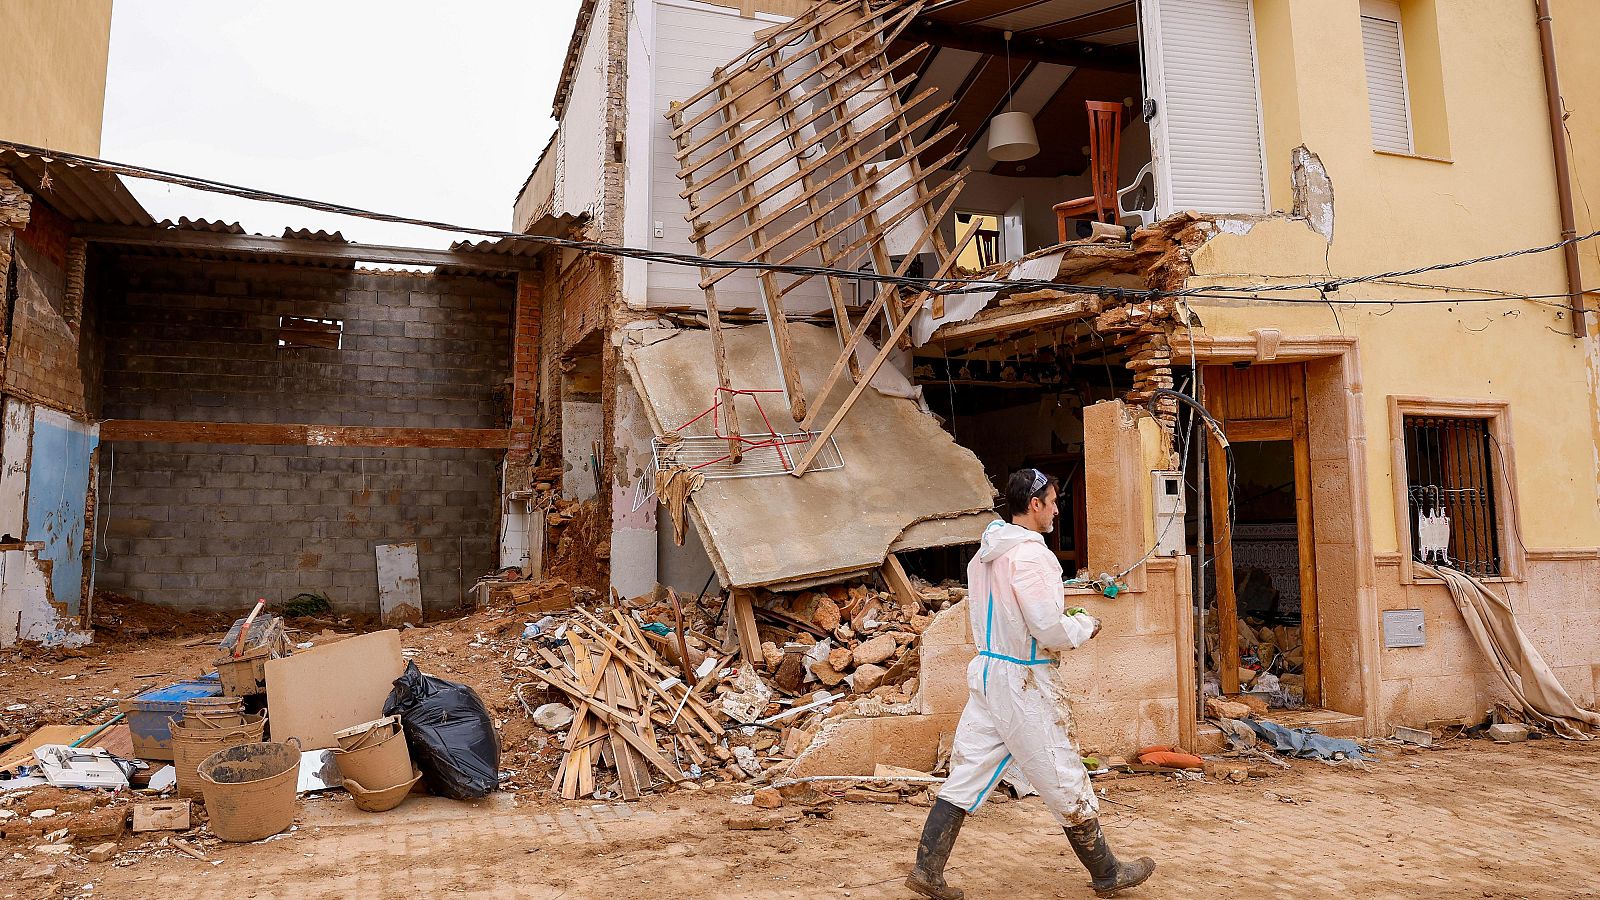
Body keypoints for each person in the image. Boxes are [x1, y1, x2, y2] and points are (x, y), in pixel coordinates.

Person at [905, 468, 1156, 899]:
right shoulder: (1033, 556)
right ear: (1034, 504)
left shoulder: (982, 557)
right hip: (1023, 677)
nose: (1058, 510)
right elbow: (1047, 628)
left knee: (967, 772)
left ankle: (928, 870)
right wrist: (1084, 627)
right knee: (1063, 771)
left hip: (988, 672)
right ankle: (1106, 872)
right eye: (1054, 502)